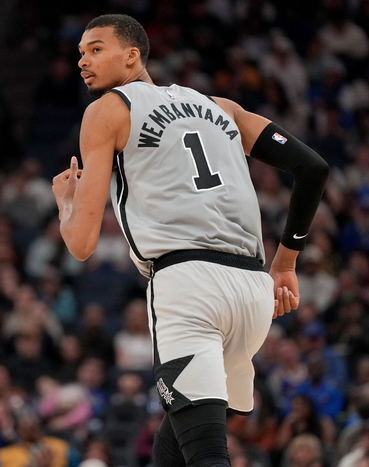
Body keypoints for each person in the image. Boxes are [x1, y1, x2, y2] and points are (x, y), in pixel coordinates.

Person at [51, 14, 329, 467]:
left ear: (132, 56)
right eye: (80, 52)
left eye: (95, 49)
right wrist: (286, 264)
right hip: (252, 291)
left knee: (206, 455)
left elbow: (82, 244)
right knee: (182, 439)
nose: (82, 60)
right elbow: (312, 167)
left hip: (188, 284)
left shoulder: (106, 110)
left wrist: (67, 204)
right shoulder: (222, 107)